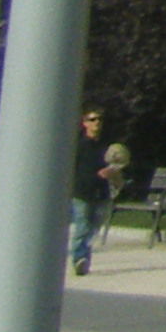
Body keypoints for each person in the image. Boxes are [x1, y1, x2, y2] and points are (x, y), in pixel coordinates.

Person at [67, 110, 115, 277]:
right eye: (92, 119)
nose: (97, 122)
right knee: (83, 226)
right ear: (85, 123)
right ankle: (79, 258)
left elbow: (115, 164)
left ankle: (84, 256)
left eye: (99, 119)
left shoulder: (106, 146)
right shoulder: (79, 145)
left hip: (101, 192)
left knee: (94, 227)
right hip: (82, 192)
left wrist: (110, 171)